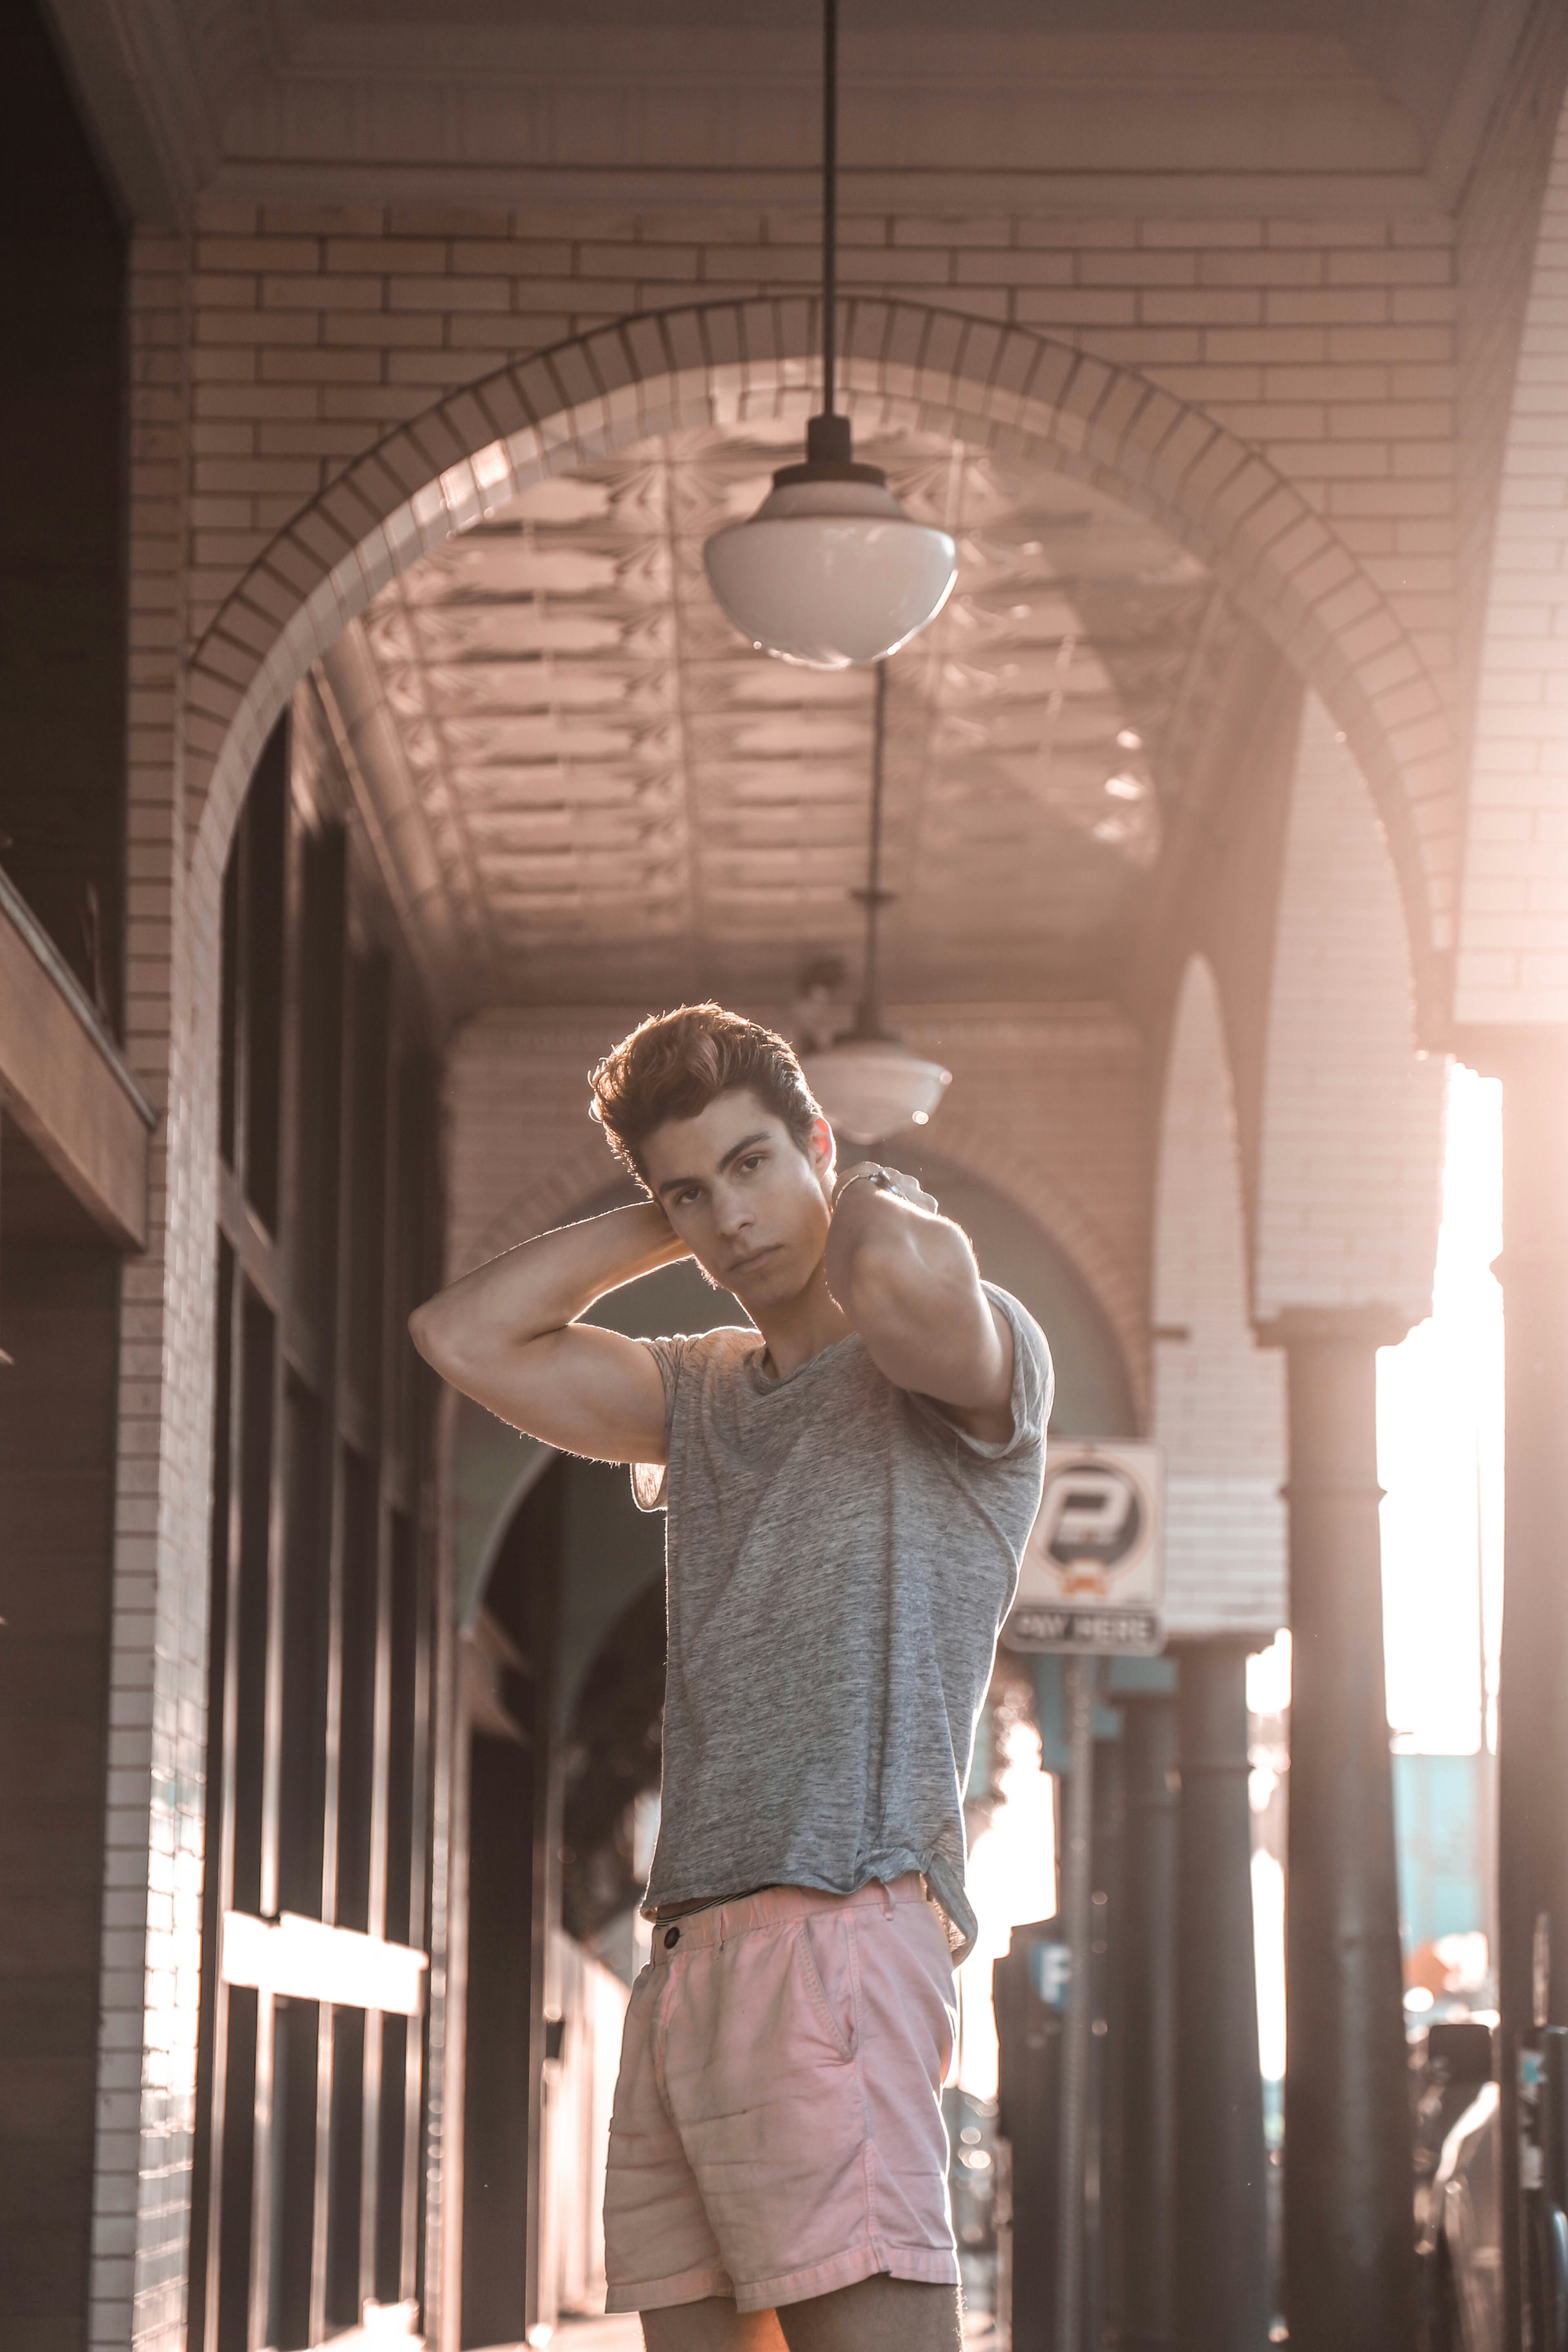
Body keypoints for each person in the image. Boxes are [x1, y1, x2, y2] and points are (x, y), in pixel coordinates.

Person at [410, 1003, 1051, 2352]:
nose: (731, 1220)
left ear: (819, 1142)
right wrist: (677, 1209)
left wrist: (843, 1185)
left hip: (842, 1929)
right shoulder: (697, 1394)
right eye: (691, 1192)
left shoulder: (956, 1366)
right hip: (688, 1957)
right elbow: (462, 1336)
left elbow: (898, 1288)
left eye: (755, 1165)